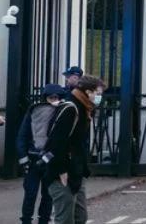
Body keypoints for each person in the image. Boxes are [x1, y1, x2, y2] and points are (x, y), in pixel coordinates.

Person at [43, 74, 105, 224]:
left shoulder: (85, 108)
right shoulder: (71, 108)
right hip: (62, 173)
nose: (99, 97)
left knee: (80, 217)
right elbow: (55, 143)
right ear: (88, 92)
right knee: (65, 219)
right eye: (98, 93)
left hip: (76, 171)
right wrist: (61, 170)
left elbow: (77, 144)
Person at [18, 84, 68, 224]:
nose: (54, 100)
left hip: (48, 159)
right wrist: (23, 158)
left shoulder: (62, 111)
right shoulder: (34, 111)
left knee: (48, 194)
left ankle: (43, 220)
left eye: (56, 97)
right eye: (51, 97)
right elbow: (23, 134)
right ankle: (26, 220)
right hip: (34, 158)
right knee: (30, 193)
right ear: (45, 98)